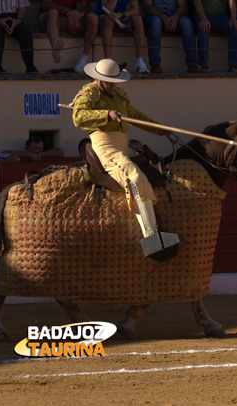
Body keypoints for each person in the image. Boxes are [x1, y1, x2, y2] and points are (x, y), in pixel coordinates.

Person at [72, 58, 183, 261]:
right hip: (105, 149)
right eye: (110, 82)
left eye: (115, 81)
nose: (114, 86)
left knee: (152, 169)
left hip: (124, 147)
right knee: (136, 178)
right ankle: (151, 238)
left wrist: (159, 129)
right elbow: (78, 117)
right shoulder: (88, 93)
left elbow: (136, 116)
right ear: (99, 80)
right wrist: (107, 114)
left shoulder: (120, 95)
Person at [0, 0, 39, 74]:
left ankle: (30, 66)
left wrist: (18, 20)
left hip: (13, 18)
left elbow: (22, 7)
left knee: (24, 31)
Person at [38, 0, 98, 73]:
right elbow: (45, 4)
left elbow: (86, 6)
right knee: (53, 12)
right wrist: (66, 10)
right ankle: (55, 48)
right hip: (50, 18)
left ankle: (84, 59)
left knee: (93, 17)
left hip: (70, 19)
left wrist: (79, 13)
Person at [143, 0, 201, 73]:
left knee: (186, 23)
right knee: (155, 23)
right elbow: (147, 7)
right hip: (155, 15)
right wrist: (162, 16)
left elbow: (183, 6)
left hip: (175, 15)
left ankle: (192, 64)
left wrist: (176, 16)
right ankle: (155, 64)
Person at [95, 0, 148, 73]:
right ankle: (108, 61)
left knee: (138, 19)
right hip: (104, 16)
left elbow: (136, 10)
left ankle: (140, 61)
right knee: (108, 20)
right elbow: (106, 10)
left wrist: (122, 14)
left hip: (120, 16)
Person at [194, 0, 237, 72]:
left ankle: (233, 65)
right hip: (204, 16)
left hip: (222, 17)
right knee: (203, 28)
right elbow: (197, 2)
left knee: (235, 28)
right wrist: (203, 19)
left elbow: (231, 1)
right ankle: (204, 66)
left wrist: (233, 18)